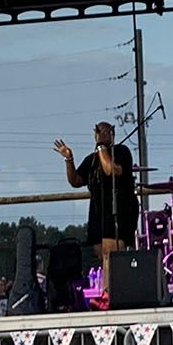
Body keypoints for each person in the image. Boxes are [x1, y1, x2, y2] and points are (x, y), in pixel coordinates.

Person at [54, 120, 138, 294]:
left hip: (117, 210)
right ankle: (107, 290)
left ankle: (111, 294)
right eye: (97, 132)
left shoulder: (121, 152)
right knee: (102, 256)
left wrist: (101, 147)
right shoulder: (91, 160)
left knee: (111, 254)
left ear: (112, 134)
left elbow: (110, 170)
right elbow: (76, 181)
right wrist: (69, 159)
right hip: (97, 212)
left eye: (104, 132)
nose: (99, 135)